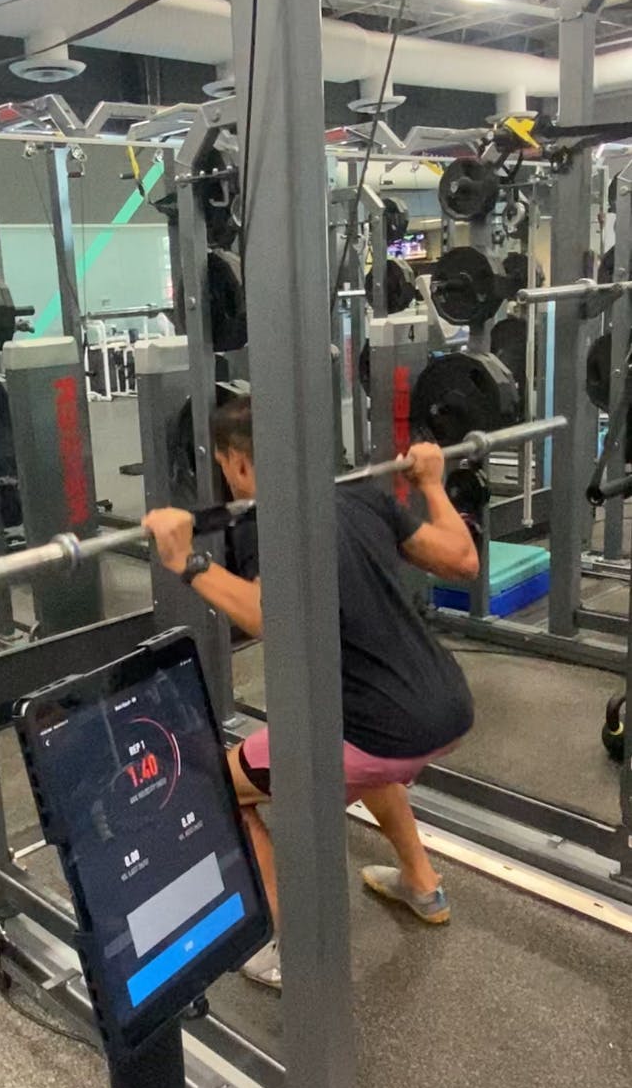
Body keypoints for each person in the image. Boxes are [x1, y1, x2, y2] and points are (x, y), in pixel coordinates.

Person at [142, 395, 477, 989]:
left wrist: (186, 560)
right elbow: (463, 558)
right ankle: (422, 885)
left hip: (379, 730)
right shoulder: (361, 495)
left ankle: (283, 945)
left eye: (224, 467)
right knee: (361, 750)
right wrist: (431, 483)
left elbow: (267, 615)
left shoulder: (270, 519)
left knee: (216, 786)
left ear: (238, 463)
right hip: (447, 705)